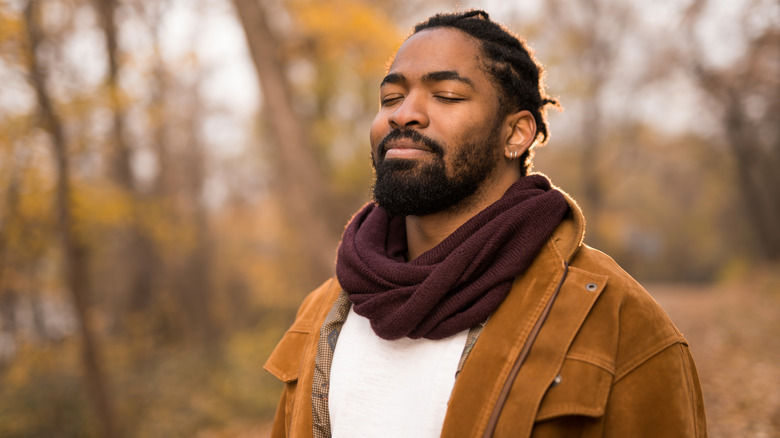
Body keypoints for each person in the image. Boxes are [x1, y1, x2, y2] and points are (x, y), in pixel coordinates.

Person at [264, 9, 707, 438]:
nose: (403, 114)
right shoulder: (323, 310)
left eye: (447, 95)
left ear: (516, 134)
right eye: (390, 98)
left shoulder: (618, 321)